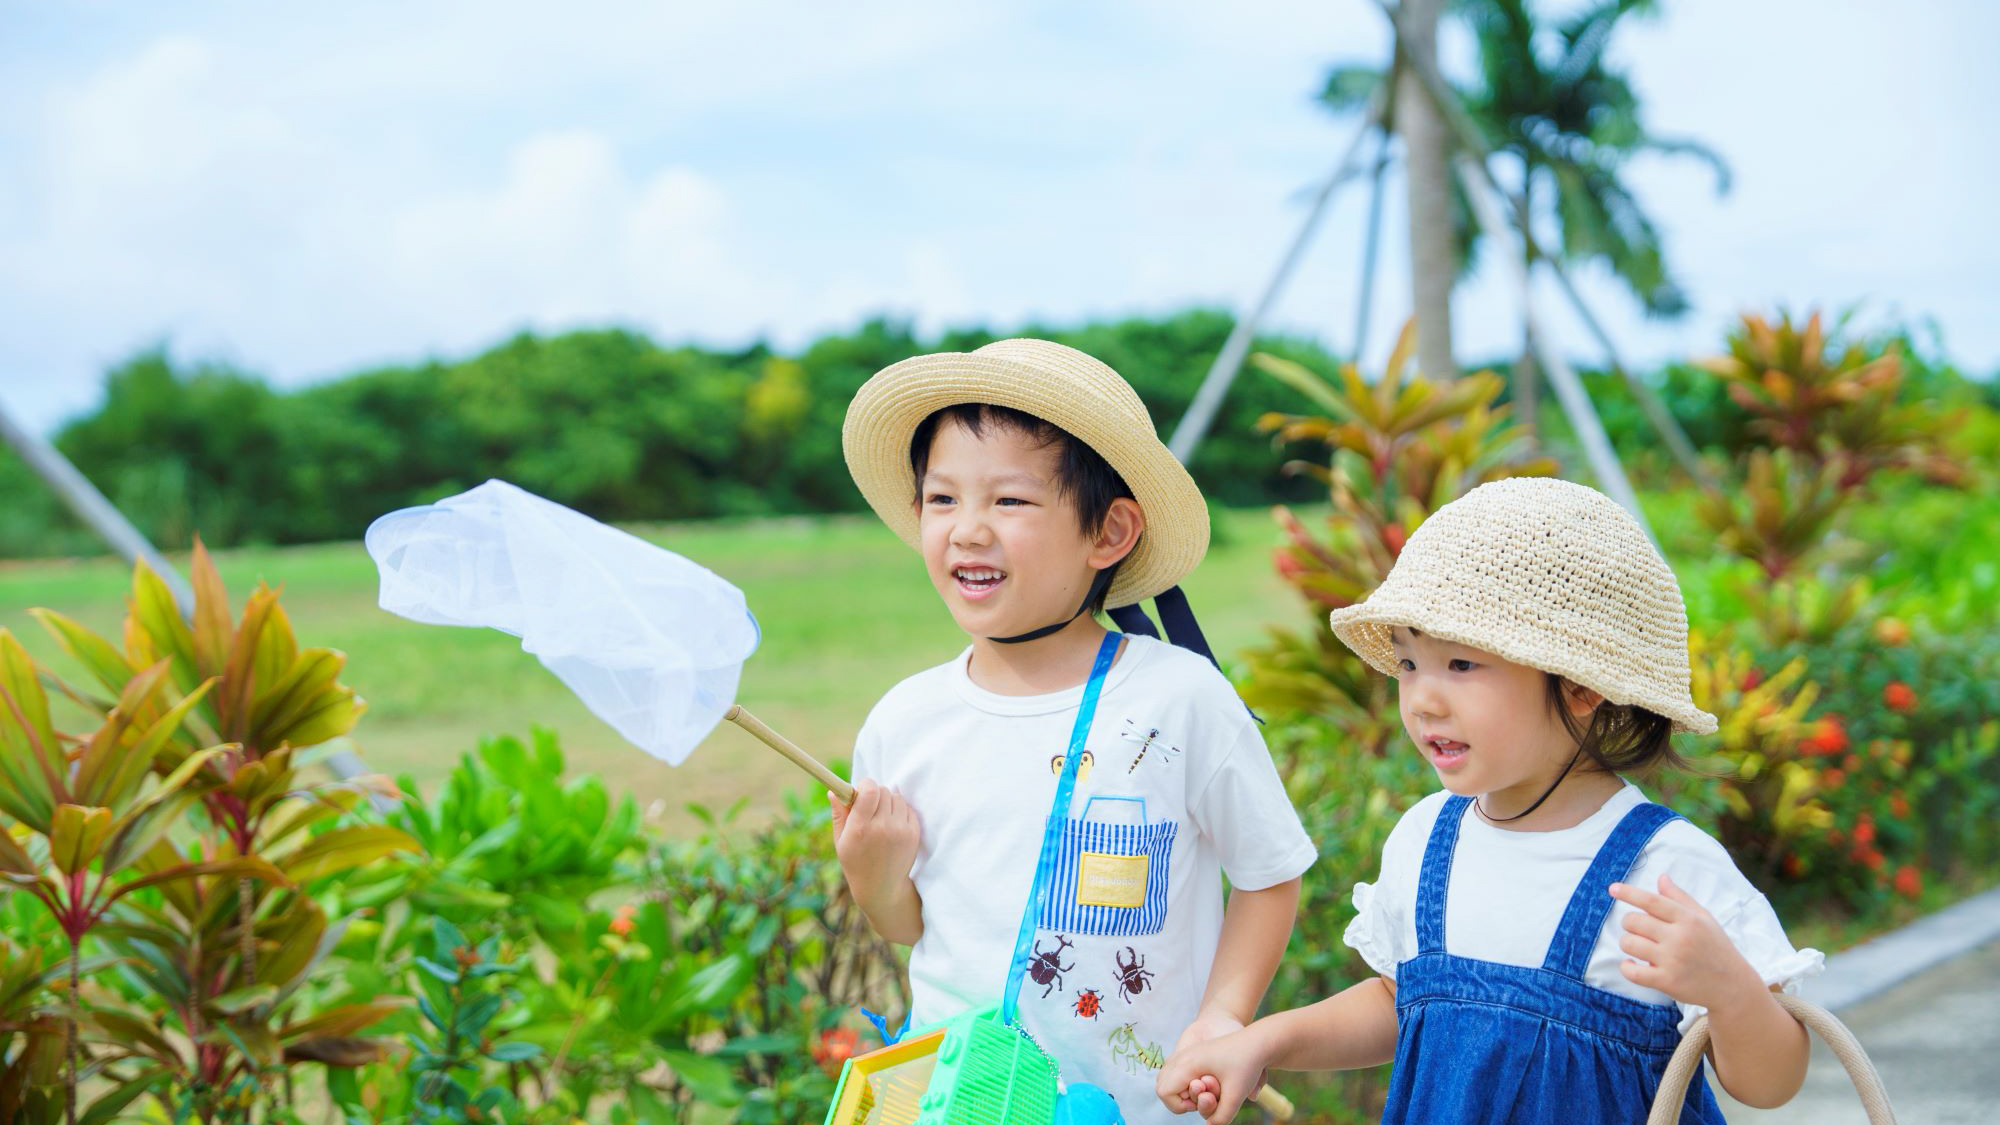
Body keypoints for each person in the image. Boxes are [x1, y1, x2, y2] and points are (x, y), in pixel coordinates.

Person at [1156, 477, 1822, 1124]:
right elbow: (1403, 1001)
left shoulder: (1664, 871)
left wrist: (1727, 986)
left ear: (1584, 687)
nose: (1423, 698)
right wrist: (1264, 1040)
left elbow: (1774, 1080)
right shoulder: (1425, 841)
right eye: (1410, 663)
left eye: (1462, 665)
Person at [830, 339, 1317, 1123]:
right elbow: (909, 925)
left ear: (1110, 532)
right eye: (943, 498)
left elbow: (1270, 872)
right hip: (961, 1106)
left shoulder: (1181, 698)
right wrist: (874, 875)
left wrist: (1222, 1018)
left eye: (1010, 501)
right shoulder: (903, 720)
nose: (967, 530)